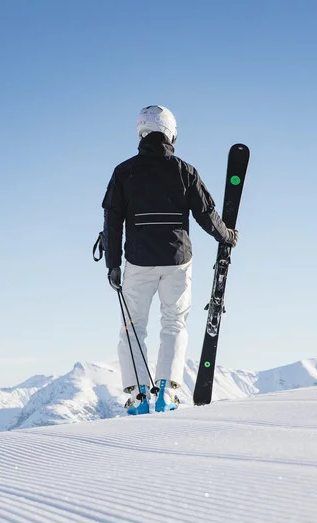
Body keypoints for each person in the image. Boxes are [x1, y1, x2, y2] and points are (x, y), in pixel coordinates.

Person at [101, 105, 238, 414]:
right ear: (171, 132)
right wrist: (227, 236)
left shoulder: (124, 172)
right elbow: (207, 215)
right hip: (177, 259)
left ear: (141, 132)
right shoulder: (184, 170)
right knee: (174, 324)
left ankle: (138, 397)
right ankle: (168, 392)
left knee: (132, 327)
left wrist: (112, 265)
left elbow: (111, 221)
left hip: (137, 262)